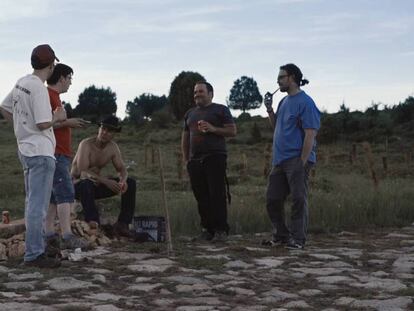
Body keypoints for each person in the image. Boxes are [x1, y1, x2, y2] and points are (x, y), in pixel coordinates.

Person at [0, 44, 66, 268]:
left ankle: (34, 250)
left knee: (31, 203)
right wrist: (58, 117)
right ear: (51, 64)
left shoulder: (21, 82)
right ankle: (34, 255)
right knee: (38, 206)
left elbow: (5, 107)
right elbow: (43, 122)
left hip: (25, 150)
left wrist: (21, 129)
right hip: (41, 152)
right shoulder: (38, 88)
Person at [263, 63, 320, 250]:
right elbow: (276, 127)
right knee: (272, 199)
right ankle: (281, 236)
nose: (278, 81)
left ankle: (298, 239)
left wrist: (302, 163)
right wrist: (270, 110)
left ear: (292, 78)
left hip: (297, 159)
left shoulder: (306, 102)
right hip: (279, 160)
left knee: (298, 199)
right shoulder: (284, 102)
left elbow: (310, 134)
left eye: (281, 77)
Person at [181, 81, 237, 242]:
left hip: (215, 157)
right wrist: (186, 160)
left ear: (211, 93)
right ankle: (207, 230)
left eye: (200, 91)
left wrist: (213, 129)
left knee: (217, 195)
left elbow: (232, 131)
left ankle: (221, 230)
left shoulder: (220, 109)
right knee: (201, 196)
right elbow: (185, 138)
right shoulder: (190, 113)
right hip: (195, 160)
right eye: (195, 92)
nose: (197, 94)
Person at [44, 63, 90, 252]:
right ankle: (66, 235)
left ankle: (48, 235)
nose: (71, 82)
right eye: (70, 78)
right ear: (62, 78)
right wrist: (68, 122)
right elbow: (44, 124)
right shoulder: (48, 96)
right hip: (56, 152)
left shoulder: (56, 98)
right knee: (65, 193)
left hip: (59, 152)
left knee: (54, 197)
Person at [71, 115, 136, 236]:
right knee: (86, 183)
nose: (104, 132)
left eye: (109, 130)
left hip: (94, 186)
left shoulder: (112, 147)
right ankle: (93, 222)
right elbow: (82, 172)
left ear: (114, 134)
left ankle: (123, 224)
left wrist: (123, 181)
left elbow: (122, 169)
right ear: (99, 129)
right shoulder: (86, 144)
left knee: (131, 183)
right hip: (76, 187)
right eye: (103, 128)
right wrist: (106, 182)